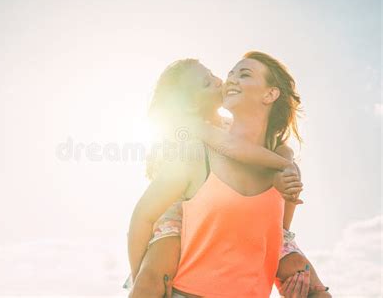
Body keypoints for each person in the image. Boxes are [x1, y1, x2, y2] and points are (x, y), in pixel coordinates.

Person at [127, 54, 330, 297]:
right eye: (207, 82)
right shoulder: (197, 131)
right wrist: (140, 273)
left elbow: (281, 223)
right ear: (191, 104)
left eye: (239, 74)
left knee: (310, 283)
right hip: (177, 211)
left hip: (260, 227)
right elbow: (233, 149)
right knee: (152, 274)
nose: (223, 80)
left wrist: (286, 169)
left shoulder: (268, 145)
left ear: (270, 94)